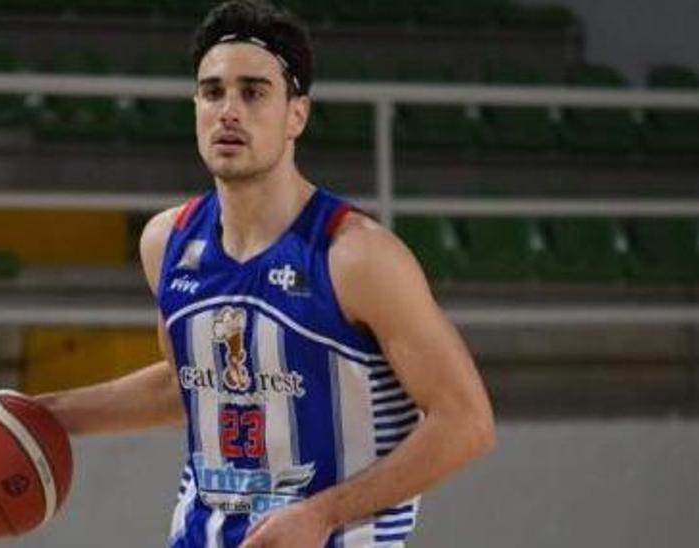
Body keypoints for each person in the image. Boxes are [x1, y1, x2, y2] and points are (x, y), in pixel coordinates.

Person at [31, 1, 496, 546]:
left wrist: (322, 515)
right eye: (213, 92)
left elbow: (466, 422)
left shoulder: (357, 256)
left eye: (253, 92)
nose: (229, 111)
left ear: (296, 113)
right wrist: (46, 415)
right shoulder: (167, 242)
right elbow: (192, 383)